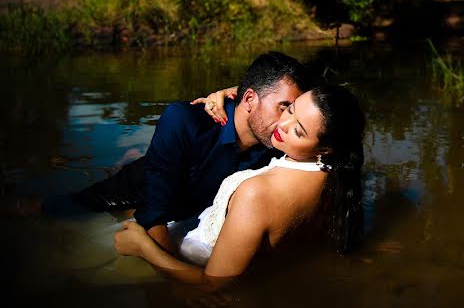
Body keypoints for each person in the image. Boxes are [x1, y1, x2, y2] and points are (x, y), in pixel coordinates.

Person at [41, 50, 313, 255]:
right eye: (283, 108)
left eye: (293, 111)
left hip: (187, 207)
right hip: (133, 192)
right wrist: (179, 284)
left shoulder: (278, 145)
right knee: (59, 210)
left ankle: (132, 159)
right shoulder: (186, 120)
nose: (289, 123)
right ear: (250, 99)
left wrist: (229, 91)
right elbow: (153, 215)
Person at [113, 85, 366, 290]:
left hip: (186, 258)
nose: (282, 125)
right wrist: (235, 91)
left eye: (298, 131)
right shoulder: (339, 177)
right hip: (220, 240)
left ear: (325, 148)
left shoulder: (257, 194)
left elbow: (212, 283)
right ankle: (129, 163)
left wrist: (144, 249)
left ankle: (126, 165)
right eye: (289, 109)